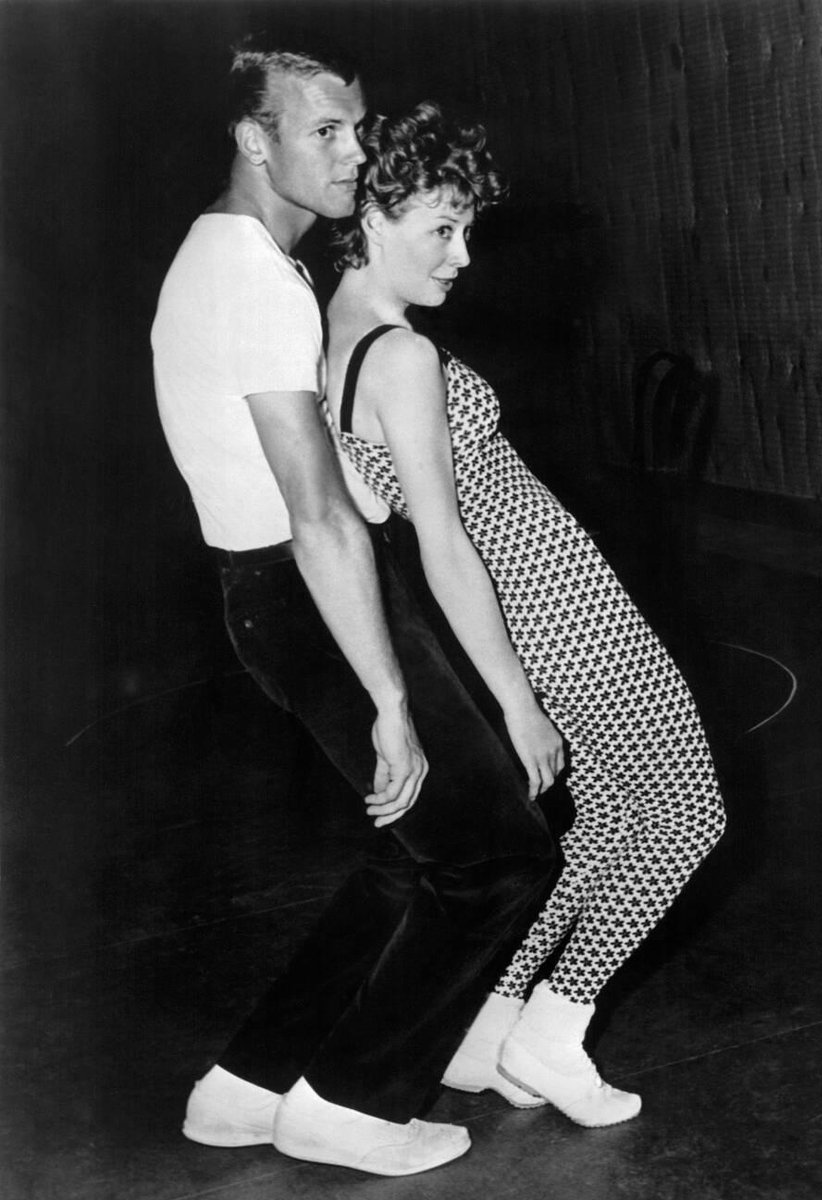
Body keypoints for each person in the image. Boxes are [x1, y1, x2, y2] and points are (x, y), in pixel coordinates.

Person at [150, 34, 557, 1177]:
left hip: (282, 592)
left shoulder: (234, 260)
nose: (351, 151)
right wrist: (388, 692)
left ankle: (246, 1086)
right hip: (306, 590)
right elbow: (321, 512)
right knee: (500, 857)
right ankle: (353, 1103)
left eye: (356, 127)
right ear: (253, 139)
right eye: (323, 130)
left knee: (412, 854)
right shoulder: (247, 279)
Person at [325, 101, 727, 1130]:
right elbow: (441, 542)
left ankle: (491, 1020)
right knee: (687, 813)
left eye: (469, 231)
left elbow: (374, 512)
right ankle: (555, 1029)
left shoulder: (339, 346)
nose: (462, 256)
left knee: (608, 825)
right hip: (561, 610)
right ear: (372, 213)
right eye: (441, 229)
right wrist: (515, 703)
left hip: (538, 612)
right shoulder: (403, 359)